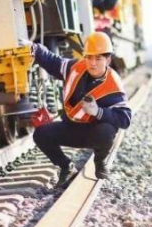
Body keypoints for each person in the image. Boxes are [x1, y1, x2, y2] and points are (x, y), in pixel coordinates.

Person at [21, 32, 131, 186]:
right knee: (41, 134)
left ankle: (100, 163)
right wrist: (34, 48)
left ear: (108, 59)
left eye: (98, 59)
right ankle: (66, 167)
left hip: (94, 132)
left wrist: (98, 112)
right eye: (89, 57)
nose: (92, 63)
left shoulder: (113, 84)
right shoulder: (76, 67)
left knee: (106, 131)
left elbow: (125, 119)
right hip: (71, 128)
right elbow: (53, 62)